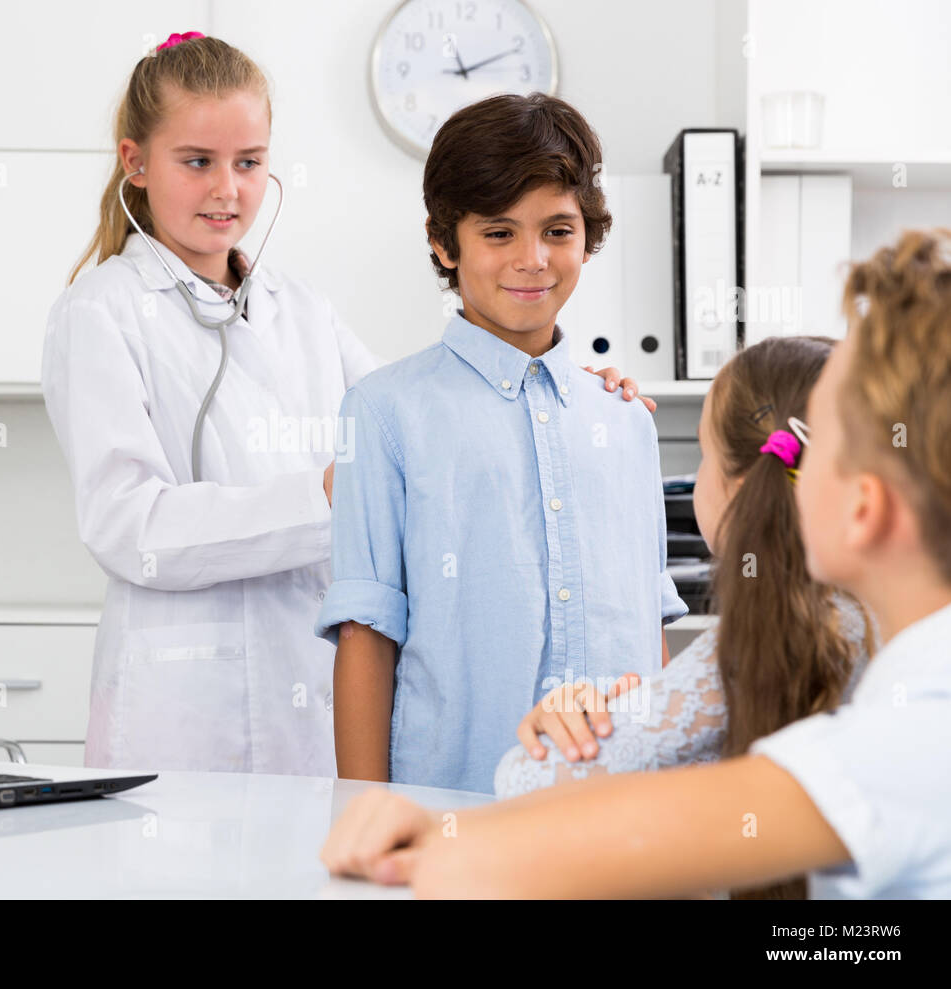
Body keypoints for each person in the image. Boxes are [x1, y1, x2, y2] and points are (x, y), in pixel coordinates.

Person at [42, 32, 666, 776]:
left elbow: (443, 404)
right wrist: (328, 495)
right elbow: (125, 525)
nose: (227, 189)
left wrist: (580, 392)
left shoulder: (298, 308)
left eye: (249, 162)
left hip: (306, 692)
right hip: (186, 697)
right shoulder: (100, 312)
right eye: (197, 161)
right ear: (135, 162)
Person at [320, 228, 951, 899]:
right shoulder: (900, 678)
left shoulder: (912, 732)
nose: (785, 466)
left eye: (814, 446)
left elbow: (566, 834)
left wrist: (439, 832)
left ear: (864, 506)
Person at [314, 93, 687, 795]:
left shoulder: (626, 421)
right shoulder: (383, 412)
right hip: (456, 810)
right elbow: (365, 636)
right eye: (498, 233)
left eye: (557, 229)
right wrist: (363, 820)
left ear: (588, 234)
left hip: (617, 812)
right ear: (443, 241)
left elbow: (649, 631)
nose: (533, 259)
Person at [494, 335, 874, 899]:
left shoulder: (766, 641)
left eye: (703, 454)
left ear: (741, 485)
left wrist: (597, 726)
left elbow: (524, 781)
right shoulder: (870, 611)